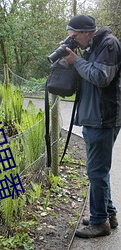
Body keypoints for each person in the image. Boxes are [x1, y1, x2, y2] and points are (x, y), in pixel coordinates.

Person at [63, 15, 121, 238]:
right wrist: (73, 60)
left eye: (75, 37)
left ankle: (99, 223)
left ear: (87, 32)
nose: (74, 41)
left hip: (103, 118)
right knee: (98, 171)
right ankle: (108, 214)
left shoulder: (109, 44)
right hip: (93, 117)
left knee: (96, 171)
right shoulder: (92, 46)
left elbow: (100, 77)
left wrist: (76, 61)